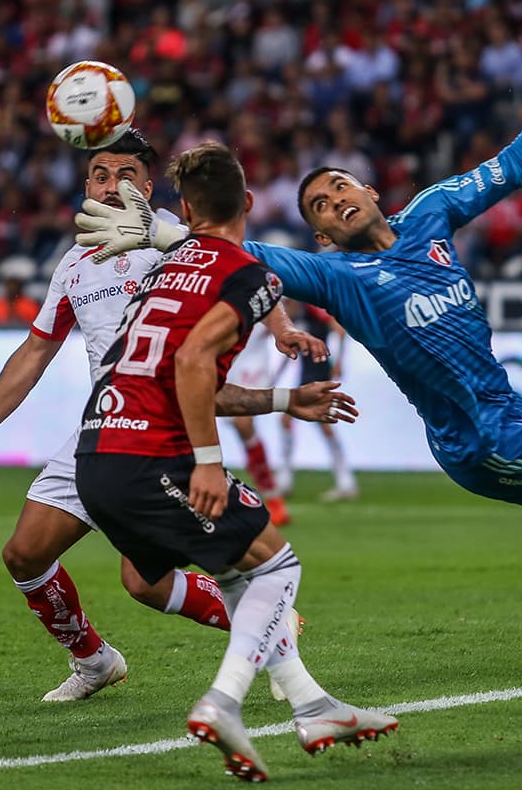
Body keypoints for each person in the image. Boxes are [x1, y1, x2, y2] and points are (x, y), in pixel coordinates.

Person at [76, 36, 522, 724]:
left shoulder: (432, 213)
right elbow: (242, 251)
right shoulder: (338, 277)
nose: (334, 199)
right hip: (483, 439)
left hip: (510, 418)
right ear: (320, 235)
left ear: (371, 191)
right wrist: (165, 233)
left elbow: (511, 168)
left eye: (341, 185)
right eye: (318, 204)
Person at [0, 130, 343, 703]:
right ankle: (94, 661)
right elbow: (35, 352)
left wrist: (281, 328)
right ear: (85, 186)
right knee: (25, 554)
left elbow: (244, 263)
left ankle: (270, 630)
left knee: (145, 582)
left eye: (125, 175)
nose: (112, 187)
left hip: (163, 432)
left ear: (148, 184)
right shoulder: (75, 263)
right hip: (99, 431)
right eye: (100, 177)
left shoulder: (171, 237)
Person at [75, 142, 397, 782]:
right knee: (278, 564)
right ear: (248, 203)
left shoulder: (166, 267)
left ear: (186, 208)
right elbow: (193, 366)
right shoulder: (246, 273)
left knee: (236, 572)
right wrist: (207, 464)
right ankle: (223, 703)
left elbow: (183, 374)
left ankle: (313, 705)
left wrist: (284, 398)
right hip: (149, 457)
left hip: (97, 456)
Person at [275, 301, 359, 502]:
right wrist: (277, 374)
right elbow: (292, 349)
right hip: (306, 376)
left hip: (319, 374)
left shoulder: (313, 311)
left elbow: (339, 329)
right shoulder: (296, 319)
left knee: (317, 424)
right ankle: (344, 481)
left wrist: (339, 361)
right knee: (302, 423)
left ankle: (344, 481)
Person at [223, 327, 293, 526]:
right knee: (240, 430)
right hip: (224, 359)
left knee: (243, 422)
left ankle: (273, 497)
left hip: (252, 359)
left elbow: (287, 305)